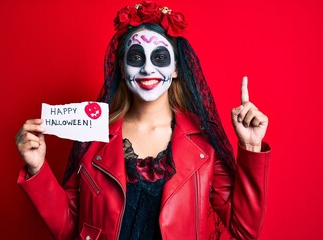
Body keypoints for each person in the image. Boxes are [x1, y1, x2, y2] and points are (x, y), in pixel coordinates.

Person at [15, 1, 271, 239]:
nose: (147, 69)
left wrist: (251, 148)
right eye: (136, 57)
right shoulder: (92, 136)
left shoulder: (204, 144)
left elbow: (244, 230)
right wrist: (38, 170)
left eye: (160, 57)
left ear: (176, 68)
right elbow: (71, 228)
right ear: (122, 67)